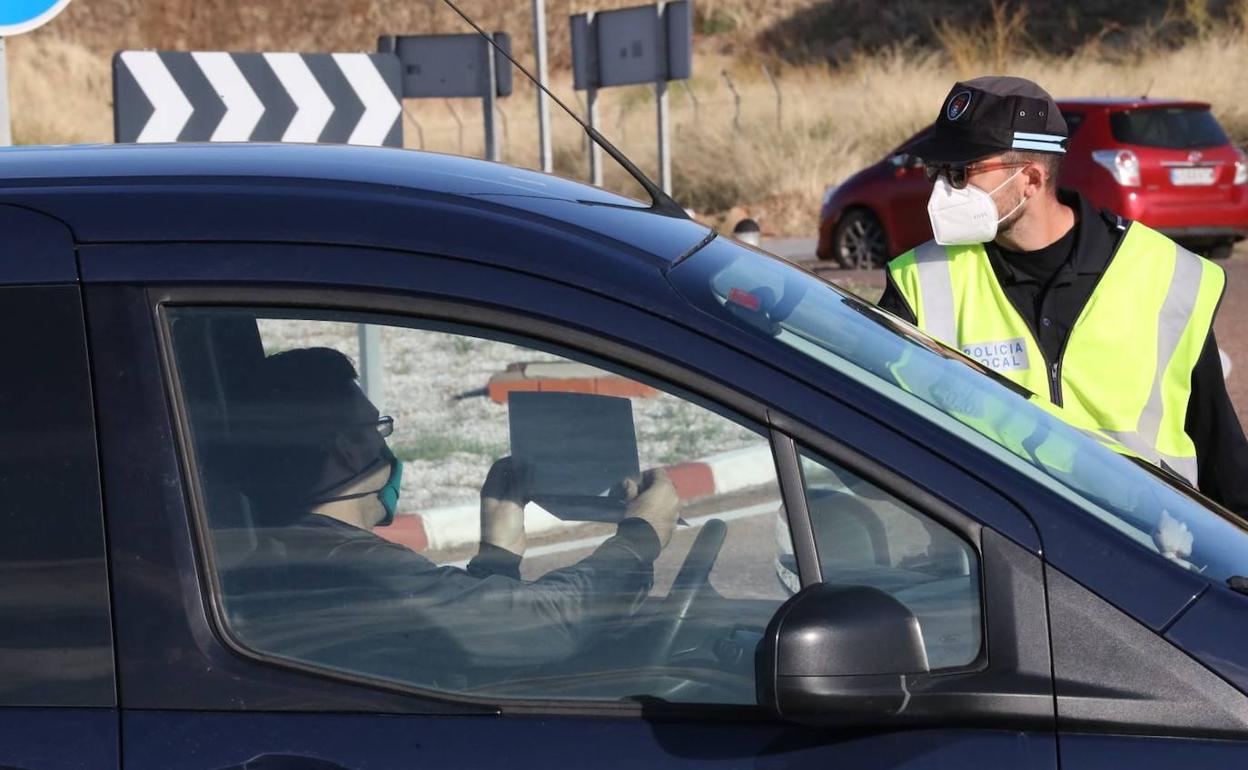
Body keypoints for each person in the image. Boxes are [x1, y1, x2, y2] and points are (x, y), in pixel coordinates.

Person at [877, 76, 1248, 515]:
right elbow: (878, 428)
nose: (942, 190)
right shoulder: (920, 281)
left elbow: (1220, 451)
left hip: (1150, 558)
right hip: (997, 558)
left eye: (960, 174)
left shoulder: (1165, 274)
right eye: (936, 172)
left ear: (1031, 178)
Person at [216, 346, 680, 673]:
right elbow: (542, 624)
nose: (383, 441)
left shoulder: (281, 550)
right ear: (348, 449)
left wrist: (496, 556)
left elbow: (448, 635)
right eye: (377, 427)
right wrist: (640, 538)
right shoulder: (353, 569)